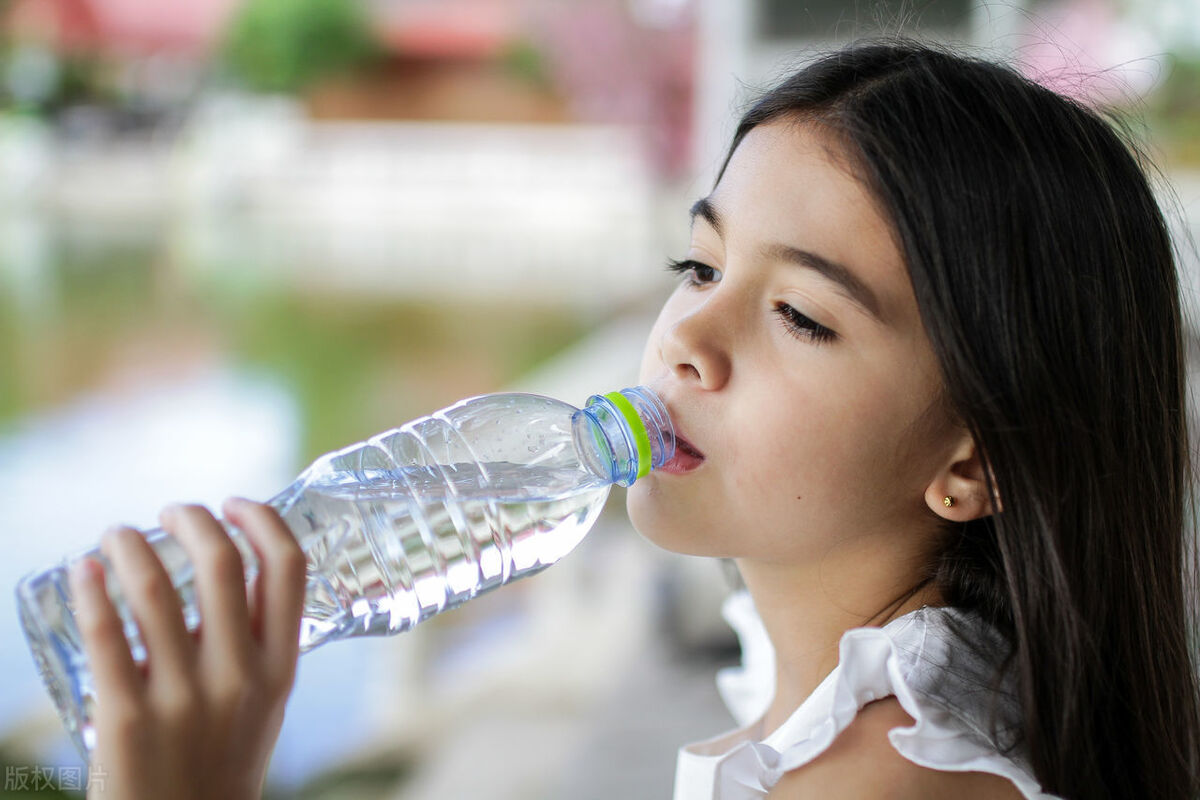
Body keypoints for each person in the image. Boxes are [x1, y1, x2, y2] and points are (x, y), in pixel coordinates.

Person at [67, 38, 1200, 799]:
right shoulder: (905, 688)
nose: (687, 341)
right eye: (698, 263)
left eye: (801, 316)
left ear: (976, 458)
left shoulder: (880, 780)